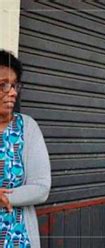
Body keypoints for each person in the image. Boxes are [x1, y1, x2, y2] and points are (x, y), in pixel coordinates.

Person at [0, 50, 51, 247]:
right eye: (3, 84)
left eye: (14, 85)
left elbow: (41, 188)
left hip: (19, 240)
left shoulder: (27, 127)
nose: (12, 92)